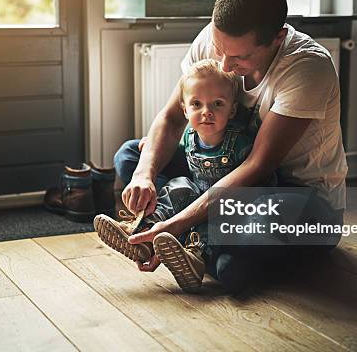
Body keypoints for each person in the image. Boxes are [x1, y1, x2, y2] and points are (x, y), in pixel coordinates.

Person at [116, 0, 348, 292]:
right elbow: (172, 118)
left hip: (296, 196)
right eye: (219, 48)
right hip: (219, 173)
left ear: (278, 38)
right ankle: (196, 242)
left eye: (239, 57)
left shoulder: (308, 67)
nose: (224, 64)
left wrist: (180, 220)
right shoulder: (216, 39)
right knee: (131, 156)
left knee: (243, 253)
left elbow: (257, 167)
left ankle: (184, 236)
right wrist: (144, 175)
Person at [95, 59, 268, 292]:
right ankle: (143, 233)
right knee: (178, 186)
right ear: (185, 109)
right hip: (196, 196)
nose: (206, 112)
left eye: (217, 104)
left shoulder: (241, 142)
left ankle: (194, 257)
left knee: (215, 231)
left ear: (232, 109)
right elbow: (170, 142)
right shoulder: (189, 136)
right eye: (197, 104)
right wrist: (151, 145)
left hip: (229, 205)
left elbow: (260, 178)